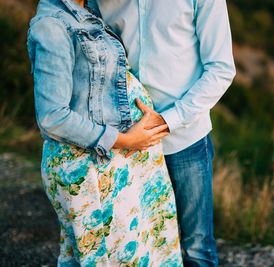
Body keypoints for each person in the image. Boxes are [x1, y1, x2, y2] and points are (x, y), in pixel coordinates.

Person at [27, 0, 183, 265]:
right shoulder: (51, 25)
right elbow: (52, 116)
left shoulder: (86, 12)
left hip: (121, 163)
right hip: (93, 167)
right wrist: (126, 140)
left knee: (143, 253)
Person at [96, 0, 236, 265]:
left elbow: (221, 69)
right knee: (138, 245)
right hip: (128, 145)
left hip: (185, 142)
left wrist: (168, 120)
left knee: (197, 246)